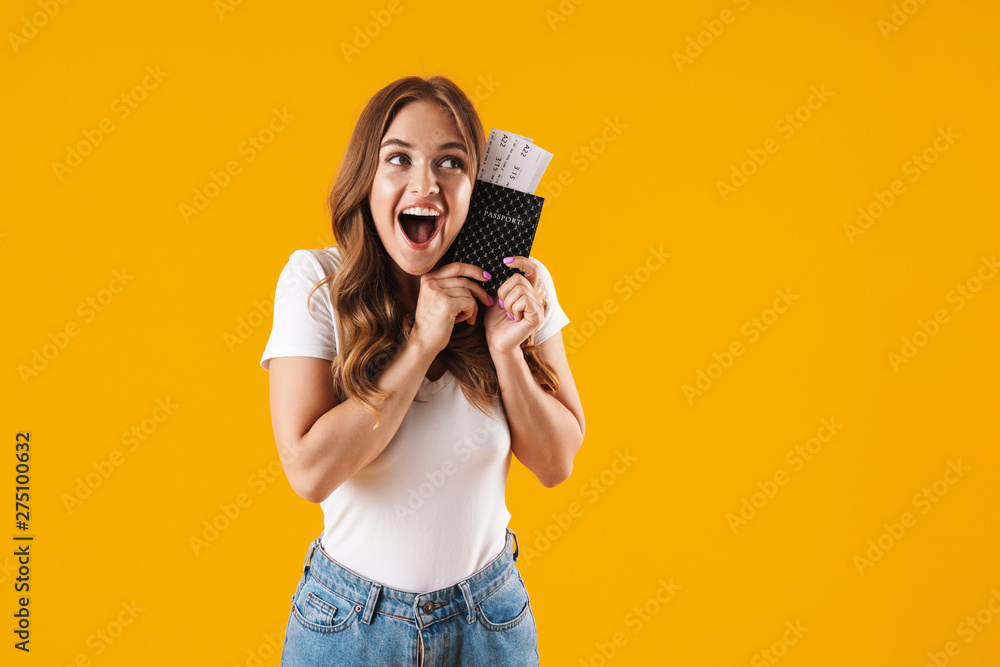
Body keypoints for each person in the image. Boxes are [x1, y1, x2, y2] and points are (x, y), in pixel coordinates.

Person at [260, 75, 585, 666]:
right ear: (367, 178)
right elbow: (310, 472)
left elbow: (557, 461)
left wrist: (507, 350)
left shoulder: (521, 287)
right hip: (350, 624)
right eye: (398, 159)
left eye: (451, 162)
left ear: (474, 190)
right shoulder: (316, 284)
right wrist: (423, 341)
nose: (425, 182)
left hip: (488, 621)